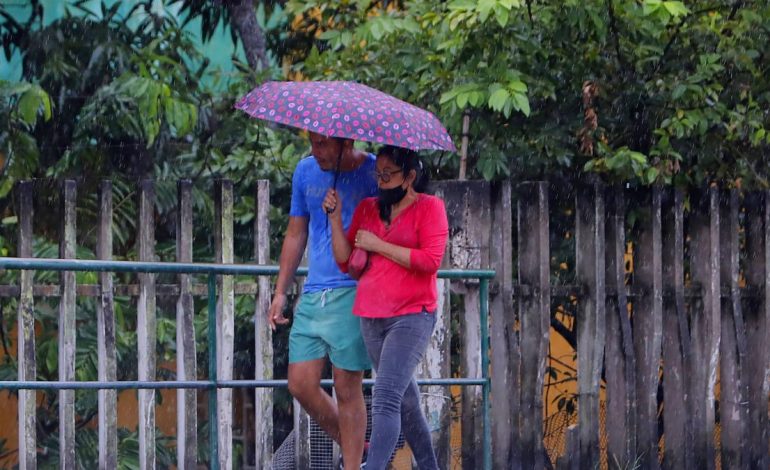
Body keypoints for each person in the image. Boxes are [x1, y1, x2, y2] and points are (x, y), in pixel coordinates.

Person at [323, 145, 448, 470]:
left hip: (412, 314)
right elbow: (347, 263)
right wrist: (335, 221)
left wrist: (380, 245)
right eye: (378, 174)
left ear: (410, 177)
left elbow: (430, 260)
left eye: (388, 175)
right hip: (372, 315)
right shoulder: (368, 208)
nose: (381, 182)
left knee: (386, 397)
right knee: (405, 402)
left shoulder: (430, 208)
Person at [268, 131, 377, 469]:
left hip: (352, 288)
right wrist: (281, 292)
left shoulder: (373, 172)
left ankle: (353, 464)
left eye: (323, 144)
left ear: (346, 142)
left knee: (347, 388)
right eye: (312, 143)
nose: (315, 151)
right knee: (300, 383)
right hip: (315, 291)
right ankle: (360, 451)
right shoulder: (305, 171)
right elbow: (295, 232)